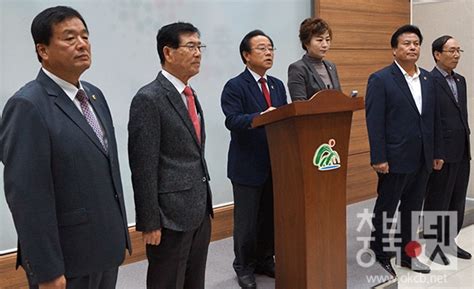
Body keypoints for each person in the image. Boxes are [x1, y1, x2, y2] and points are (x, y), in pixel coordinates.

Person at [0, 6, 131, 289]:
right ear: (43, 50)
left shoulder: (95, 95)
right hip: (66, 259)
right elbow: (27, 198)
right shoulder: (28, 105)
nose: (82, 44)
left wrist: (119, 236)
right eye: (70, 38)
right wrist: (46, 270)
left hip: (105, 248)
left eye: (85, 36)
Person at [128, 22, 213, 289]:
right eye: (191, 46)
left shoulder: (190, 94)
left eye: (200, 46)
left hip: (199, 208)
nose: (198, 53)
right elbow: (143, 165)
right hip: (170, 216)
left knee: (193, 280)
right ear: (168, 52)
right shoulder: (149, 98)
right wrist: (149, 221)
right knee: (167, 282)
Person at [365, 24, 444, 277]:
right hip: (394, 158)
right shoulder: (381, 79)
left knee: (412, 208)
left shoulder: (428, 79)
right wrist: (378, 157)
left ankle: (408, 254)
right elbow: (374, 121)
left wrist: (436, 152)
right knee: (386, 207)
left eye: (416, 43)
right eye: (406, 43)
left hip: (423, 157)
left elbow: (433, 119)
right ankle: (379, 251)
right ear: (394, 49)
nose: (412, 47)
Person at [220, 30, 288, 289]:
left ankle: (265, 259)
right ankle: (244, 266)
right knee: (246, 222)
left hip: (277, 163)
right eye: (261, 48)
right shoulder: (235, 85)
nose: (269, 52)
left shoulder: (278, 85)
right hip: (247, 165)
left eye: (271, 47)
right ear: (246, 55)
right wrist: (262, 116)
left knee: (270, 217)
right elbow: (232, 120)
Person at [423, 35, 471, 265]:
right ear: (437, 54)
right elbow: (430, 120)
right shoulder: (428, 81)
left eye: (458, 50)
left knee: (456, 200)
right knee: (437, 200)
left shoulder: (460, 80)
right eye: (451, 50)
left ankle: (449, 241)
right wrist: (435, 152)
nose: (456, 55)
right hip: (441, 153)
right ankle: (433, 245)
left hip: (462, 150)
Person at [287, 17, 341, 101]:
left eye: (327, 39)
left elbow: (338, 97)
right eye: (319, 40)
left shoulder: (331, 66)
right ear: (306, 43)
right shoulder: (297, 68)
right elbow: (299, 104)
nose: (325, 45)